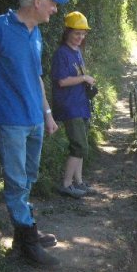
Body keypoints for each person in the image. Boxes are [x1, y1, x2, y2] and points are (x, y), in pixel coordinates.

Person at [0, 0, 69, 268]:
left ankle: (24, 234)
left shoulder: (36, 34)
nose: (55, 9)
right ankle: (29, 242)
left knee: (29, 177)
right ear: (37, 2)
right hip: (10, 120)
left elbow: (36, 77)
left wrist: (47, 114)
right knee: (15, 181)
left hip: (35, 119)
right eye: (53, 3)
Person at [50, 11, 97, 199]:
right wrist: (84, 78)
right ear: (67, 32)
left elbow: (78, 76)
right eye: (77, 33)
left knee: (82, 144)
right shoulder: (61, 53)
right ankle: (66, 184)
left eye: (83, 33)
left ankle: (79, 182)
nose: (80, 37)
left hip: (81, 103)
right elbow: (61, 81)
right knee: (79, 146)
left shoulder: (77, 52)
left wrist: (87, 82)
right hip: (69, 105)